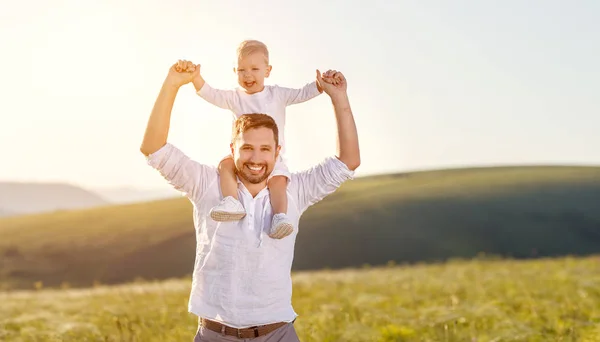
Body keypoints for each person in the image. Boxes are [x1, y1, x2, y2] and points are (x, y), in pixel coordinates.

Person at [140, 59, 360, 341]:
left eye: (265, 149)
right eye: (247, 148)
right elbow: (154, 149)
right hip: (214, 334)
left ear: (277, 152)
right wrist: (172, 84)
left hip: (277, 333)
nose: (256, 159)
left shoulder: (294, 191)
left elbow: (348, 161)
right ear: (232, 149)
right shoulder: (207, 184)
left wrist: (338, 97)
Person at [189, 40, 324, 240]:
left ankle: (280, 217)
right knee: (225, 165)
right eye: (241, 70)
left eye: (254, 68)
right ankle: (231, 201)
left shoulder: (277, 94)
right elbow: (211, 94)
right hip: (241, 157)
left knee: (278, 181)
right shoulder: (235, 97)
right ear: (235, 71)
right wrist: (195, 78)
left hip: (271, 158)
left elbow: (302, 94)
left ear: (267, 71)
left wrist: (320, 85)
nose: (248, 75)